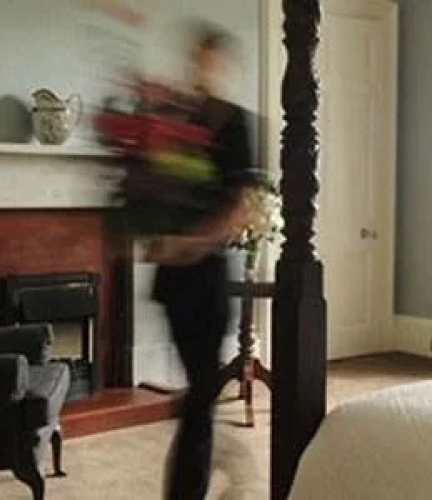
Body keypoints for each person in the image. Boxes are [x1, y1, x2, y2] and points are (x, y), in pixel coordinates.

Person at [145, 22, 258, 500]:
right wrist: (151, 234)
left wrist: (190, 243)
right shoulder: (172, 117)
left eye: (211, 58)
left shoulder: (236, 123)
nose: (203, 65)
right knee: (201, 388)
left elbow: (241, 205)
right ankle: (197, 478)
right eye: (198, 56)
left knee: (201, 388)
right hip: (174, 281)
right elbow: (150, 189)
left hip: (207, 274)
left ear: (225, 65)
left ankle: (188, 484)